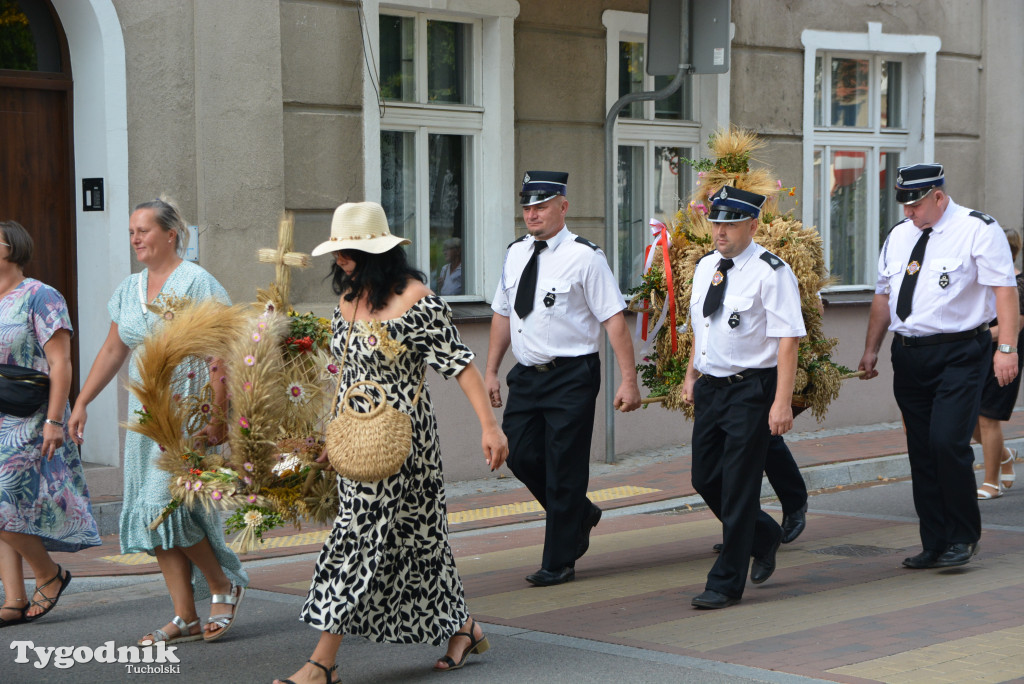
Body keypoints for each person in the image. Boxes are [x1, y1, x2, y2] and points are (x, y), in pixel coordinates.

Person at [275, 201, 508, 684]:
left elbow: (460, 364)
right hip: (358, 438)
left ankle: (322, 663)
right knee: (421, 541)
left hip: (404, 442)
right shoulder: (348, 302)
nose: (339, 261)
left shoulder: (415, 298)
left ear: (376, 251)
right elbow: (346, 376)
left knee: (354, 538)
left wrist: (490, 426)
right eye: (336, 252)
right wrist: (331, 438)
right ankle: (464, 625)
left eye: (349, 251)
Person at [68, 198, 248, 644]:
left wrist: (218, 415)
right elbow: (114, 350)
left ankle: (223, 584)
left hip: (189, 412)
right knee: (154, 515)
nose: (135, 239)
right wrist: (82, 401)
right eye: (131, 232)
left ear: (171, 234)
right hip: (148, 417)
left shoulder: (197, 281)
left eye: (143, 230)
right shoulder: (130, 288)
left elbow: (220, 352)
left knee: (173, 508)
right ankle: (184, 614)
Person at [485, 171, 642, 588]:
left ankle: (559, 561)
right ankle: (580, 513)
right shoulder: (516, 253)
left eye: (541, 205)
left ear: (563, 207)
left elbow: (614, 321)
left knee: (563, 467)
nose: (532, 214)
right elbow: (503, 314)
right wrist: (491, 371)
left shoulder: (585, 257)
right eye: (527, 206)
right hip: (527, 375)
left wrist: (629, 380)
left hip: (571, 374)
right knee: (517, 454)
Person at [858, 164, 1018, 569]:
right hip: (909, 353)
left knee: (948, 442)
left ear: (938, 196)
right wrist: (871, 348)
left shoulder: (978, 229)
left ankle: (964, 536)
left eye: (915, 204)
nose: (909, 212)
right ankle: (935, 540)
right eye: (905, 205)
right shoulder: (898, 235)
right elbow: (883, 296)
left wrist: (1007, 349)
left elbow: (1004, 290)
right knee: (922, 449)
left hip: (961, 351)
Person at [681, 186, 806, 609]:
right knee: (704, 478)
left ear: (752, 225)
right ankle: (765, 534)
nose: (720, 230)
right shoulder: (705, 268)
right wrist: (691, 375)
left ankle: (725, 582)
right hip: (712, 388)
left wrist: (782, 402)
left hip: (753, 389)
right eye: (716, 221)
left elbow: (788, 340)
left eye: (730, 223)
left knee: (739, 488)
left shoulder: (771, 272)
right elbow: (704, 328)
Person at [0, 220, 100, 627]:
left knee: (4, 500)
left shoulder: (40, 295)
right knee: (8, 509)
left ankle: (48, 574)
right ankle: (13, 597)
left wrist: (55, 421)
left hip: (30, 415)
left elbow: (61, 362)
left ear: (10, 248)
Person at [974, 227, 1024, 499]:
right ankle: (1004, 455)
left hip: (1004, 356)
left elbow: (1014, 324)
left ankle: (990, 482)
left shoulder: (1019, 284)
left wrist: (972, 336)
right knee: (970, 418)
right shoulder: (983, 282)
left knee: (988, 416)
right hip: (975, 356)